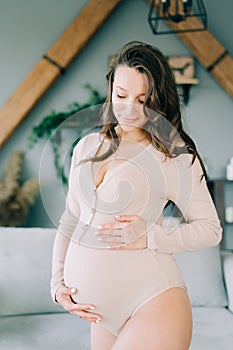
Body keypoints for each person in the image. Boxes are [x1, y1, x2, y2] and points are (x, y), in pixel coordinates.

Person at [50, 41, 222, 350]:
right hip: (100, 316)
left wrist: (151, 236)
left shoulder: (173, 157)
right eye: (121, 95)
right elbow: (71, 217)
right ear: (111, 89)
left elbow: (211, 230)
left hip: (153, 302)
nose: (129, 109)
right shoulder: (87, 146)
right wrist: (57, 284)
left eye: (143, 100)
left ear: (157, 101)